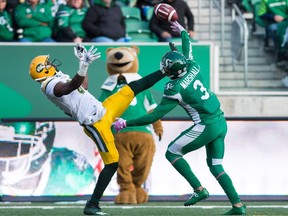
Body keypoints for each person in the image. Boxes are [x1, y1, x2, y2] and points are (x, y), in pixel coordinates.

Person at [113, 21, 247, 215]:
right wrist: (184, 32)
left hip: (205, 124)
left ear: (169, 70)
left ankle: (199, 190)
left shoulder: (173, 89)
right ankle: (238, 206)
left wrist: (126, 122)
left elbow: (155, 115)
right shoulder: (193, 67)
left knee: (171, 152)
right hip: (220, 121)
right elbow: (188, 50)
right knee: (216, 165)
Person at [28, 43, 165, 215]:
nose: (52, 65)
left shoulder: (56, 80)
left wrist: (83, 65)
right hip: (95, 123)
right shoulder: (49, 85)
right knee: (113, 163)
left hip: (104, 110)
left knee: (132, 88)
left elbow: (82, 87)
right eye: (48, 64)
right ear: (44, 70)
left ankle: (164, 71)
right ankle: (92, 205)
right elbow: (69, 87)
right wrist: (83, 66)